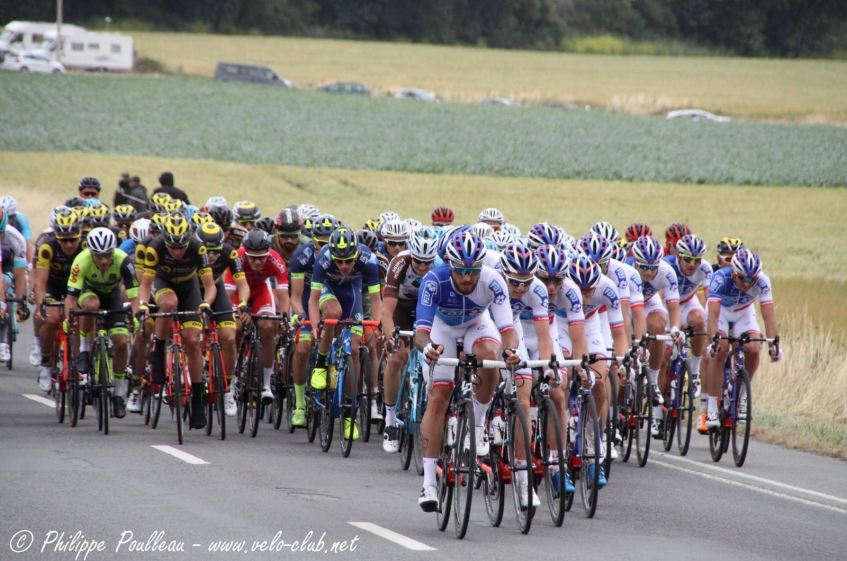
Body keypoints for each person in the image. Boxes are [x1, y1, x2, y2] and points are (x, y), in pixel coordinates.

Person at [414, 230, 519, 512]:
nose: (467, 277)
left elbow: (507, 329)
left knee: (490, 356)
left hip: (477, 324)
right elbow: (421, 332)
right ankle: (428, 482)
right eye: (460, 270)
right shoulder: (433, 281)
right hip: (442, 330)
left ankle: (478, 424)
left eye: (473, 271)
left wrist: (511, 350)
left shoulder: (492, 281)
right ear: (449, 264)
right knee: (438, 398)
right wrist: (428, 349)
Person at [705, 249, 781, 429]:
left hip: (744, 313)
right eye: (742, 278)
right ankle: (711, 407)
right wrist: (713, 341)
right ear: (733, 272)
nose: (747, 283)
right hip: (721, 313)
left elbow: (769, 318)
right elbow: (713, 317)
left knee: (754, 348)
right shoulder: (720, 278)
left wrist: (774, 345)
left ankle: (742, 395)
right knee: (721, 349)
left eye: (751, 279)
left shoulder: (763, 281)